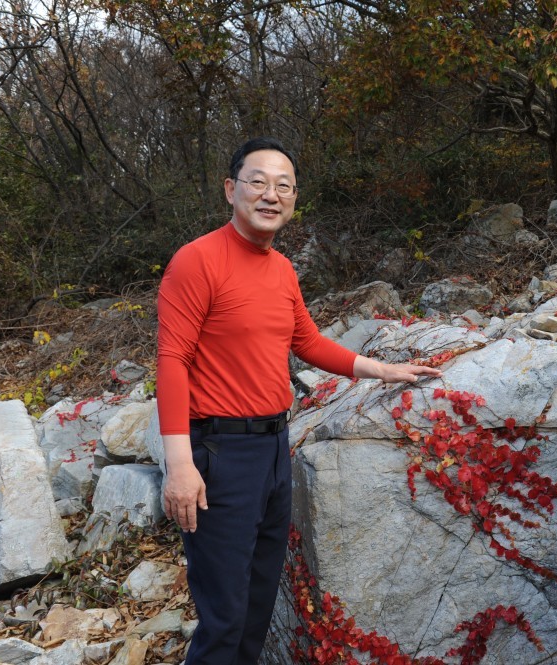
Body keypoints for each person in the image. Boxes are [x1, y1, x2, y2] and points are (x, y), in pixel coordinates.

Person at [156, 136, 442, 664]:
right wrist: (179, 464)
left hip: (274, 447)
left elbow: (306, 341)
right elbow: (172, 360)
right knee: (225, 615)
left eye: (283, 186)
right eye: (258, 182)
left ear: (293, 199)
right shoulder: (196, 261)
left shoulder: (282, 269)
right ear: (231, 189)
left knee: (258, 606)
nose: (271, 195)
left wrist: (381, 370)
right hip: (219, 454)